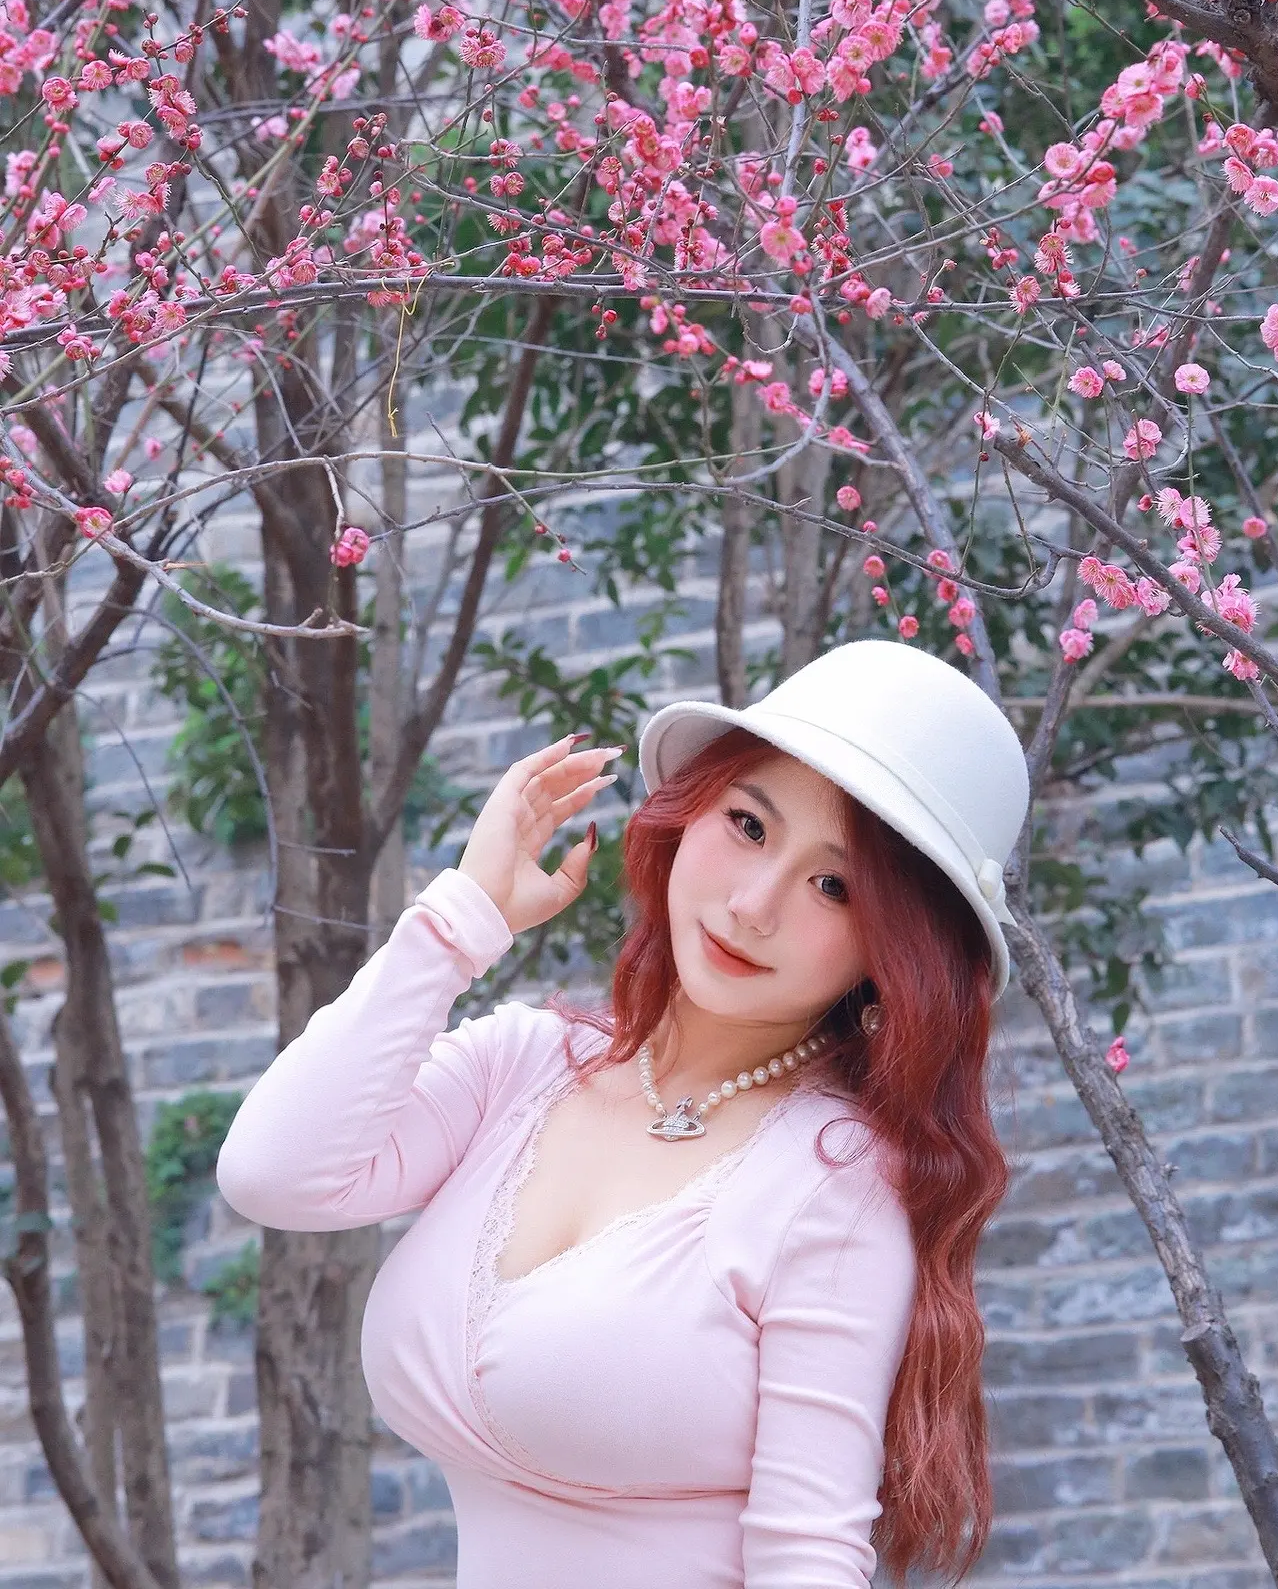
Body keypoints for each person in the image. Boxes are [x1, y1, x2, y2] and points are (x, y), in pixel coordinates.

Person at [216, 637, 1030, 1588]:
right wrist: (461, 920)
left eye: (834, 886)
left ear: (896, 953)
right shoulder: (523, 1066)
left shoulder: (833, 1188)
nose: (754, 904)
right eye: (748, 825)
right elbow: (274, 1175)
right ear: (687, 816)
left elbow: (807, 1554)